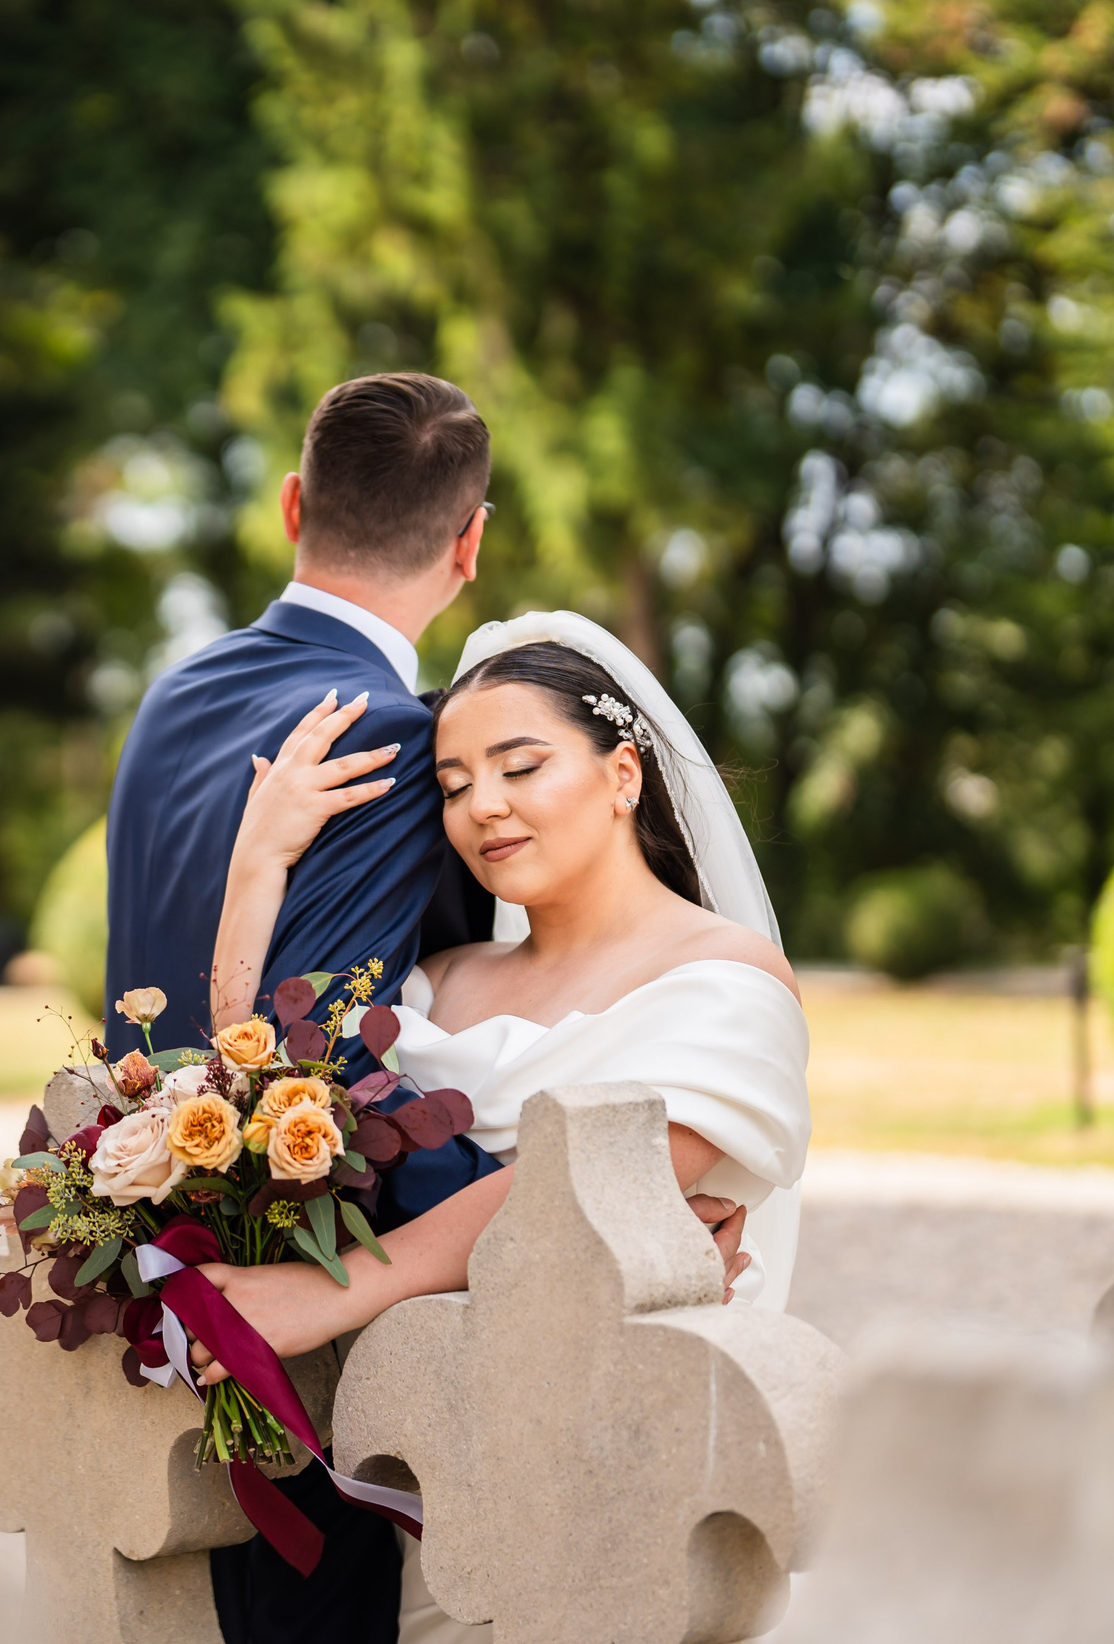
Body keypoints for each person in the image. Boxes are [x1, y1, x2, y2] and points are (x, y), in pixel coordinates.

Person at [198, 610, 812, 1643]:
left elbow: (590, 1185)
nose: (483, 806)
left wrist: (318, 1290)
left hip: (592, 1476)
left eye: (520, 766)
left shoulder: (724, 980)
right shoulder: (437, 982)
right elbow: (255, 1093)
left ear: (623, 774)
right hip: (409, 1465)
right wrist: (257, 863)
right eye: (451, 785)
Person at [103, 373, 506, 1644]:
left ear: (292, 505)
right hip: (306, 1326)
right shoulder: (390, 734)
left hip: (157, 1263)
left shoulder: (175, 696)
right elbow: (315, 1063)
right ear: (471, 541)